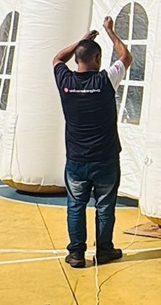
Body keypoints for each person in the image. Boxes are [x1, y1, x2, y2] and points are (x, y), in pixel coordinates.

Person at [53, 16, 132, 269]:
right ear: (97, 60)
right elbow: (125, 57)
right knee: (105, 207)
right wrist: (110, 31)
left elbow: (57, 59)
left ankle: (76, 253)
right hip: (105, 158)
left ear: (77, 59)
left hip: (76, 159)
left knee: (75, 206)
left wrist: (82, 41)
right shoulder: (104, 81)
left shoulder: (65, 81)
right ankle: (104, 250)